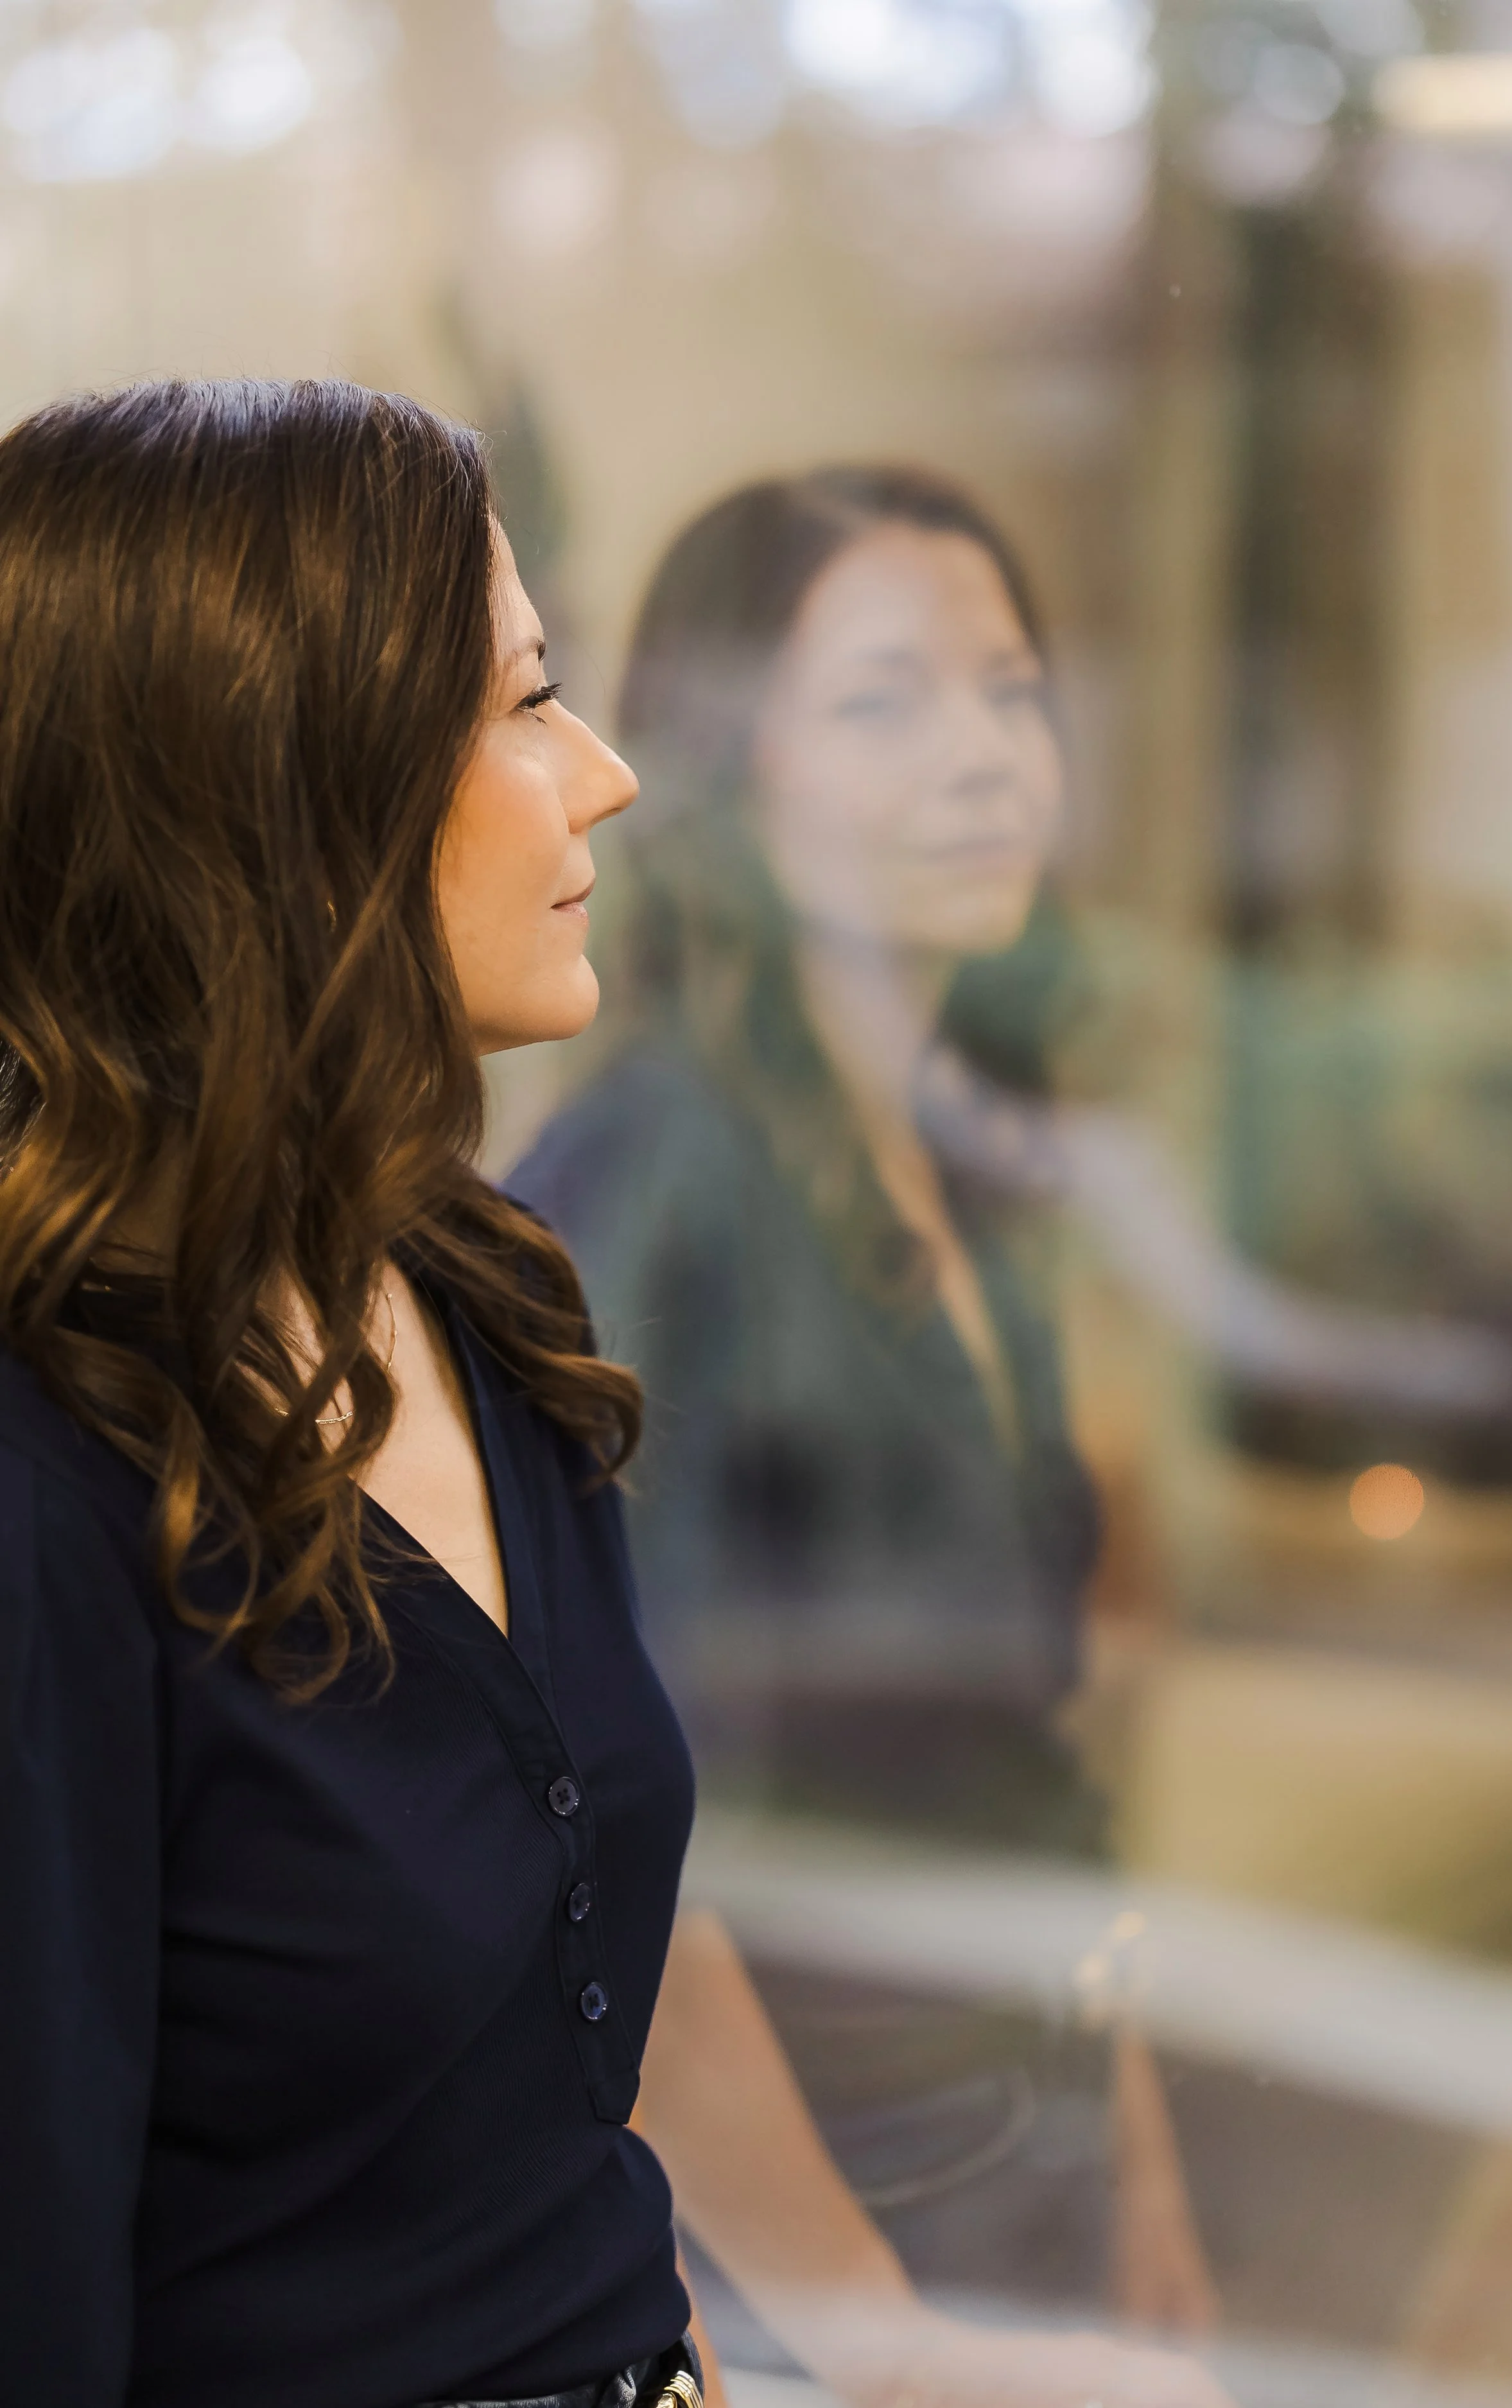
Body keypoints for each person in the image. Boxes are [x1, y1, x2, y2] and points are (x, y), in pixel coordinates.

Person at [0, 383, 1230, 2408]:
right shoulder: (64, 1471)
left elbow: (564, 2049)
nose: (606, 777)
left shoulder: (489, 1298)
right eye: (518, 705)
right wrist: (871, 2317)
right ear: (283, 792)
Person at [510, 469, 1219, 2330]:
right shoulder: (655, 1185)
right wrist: (865, 2327)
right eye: (885, 700)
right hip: (824, 2217)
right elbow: (617, 1836)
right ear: (722, 763)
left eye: (1009, 688)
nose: (986, 756)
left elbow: (1031, 1751)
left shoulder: (980, 1156)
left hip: (1027, 2126)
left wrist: (1127, 2140)